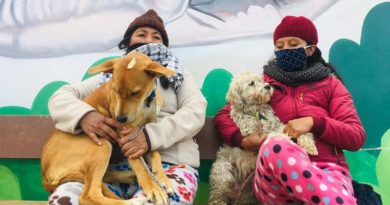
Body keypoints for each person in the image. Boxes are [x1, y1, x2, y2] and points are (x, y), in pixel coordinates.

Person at [47, 9, 207, 205]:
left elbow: (195, 112)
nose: (149, 40)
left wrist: (149, 137)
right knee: (64, 200)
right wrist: (85, 116)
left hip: (171, 163)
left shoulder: (177, 75)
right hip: (113, 169)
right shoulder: (112, 75)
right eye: (141, 34)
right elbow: (60, 97)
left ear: (164, 45)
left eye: (156, 37)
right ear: (128, 42)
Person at [213, 16, 366, 204]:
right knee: (275, 144)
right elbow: (224, 115)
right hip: (275, 180)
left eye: (293, 44)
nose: (285, 50)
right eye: (279, 46)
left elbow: (355, 136)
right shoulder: (264, 85)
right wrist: (242, 140)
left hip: (327, 170)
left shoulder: (331, 85)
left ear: (310, 49)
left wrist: (314, 123)